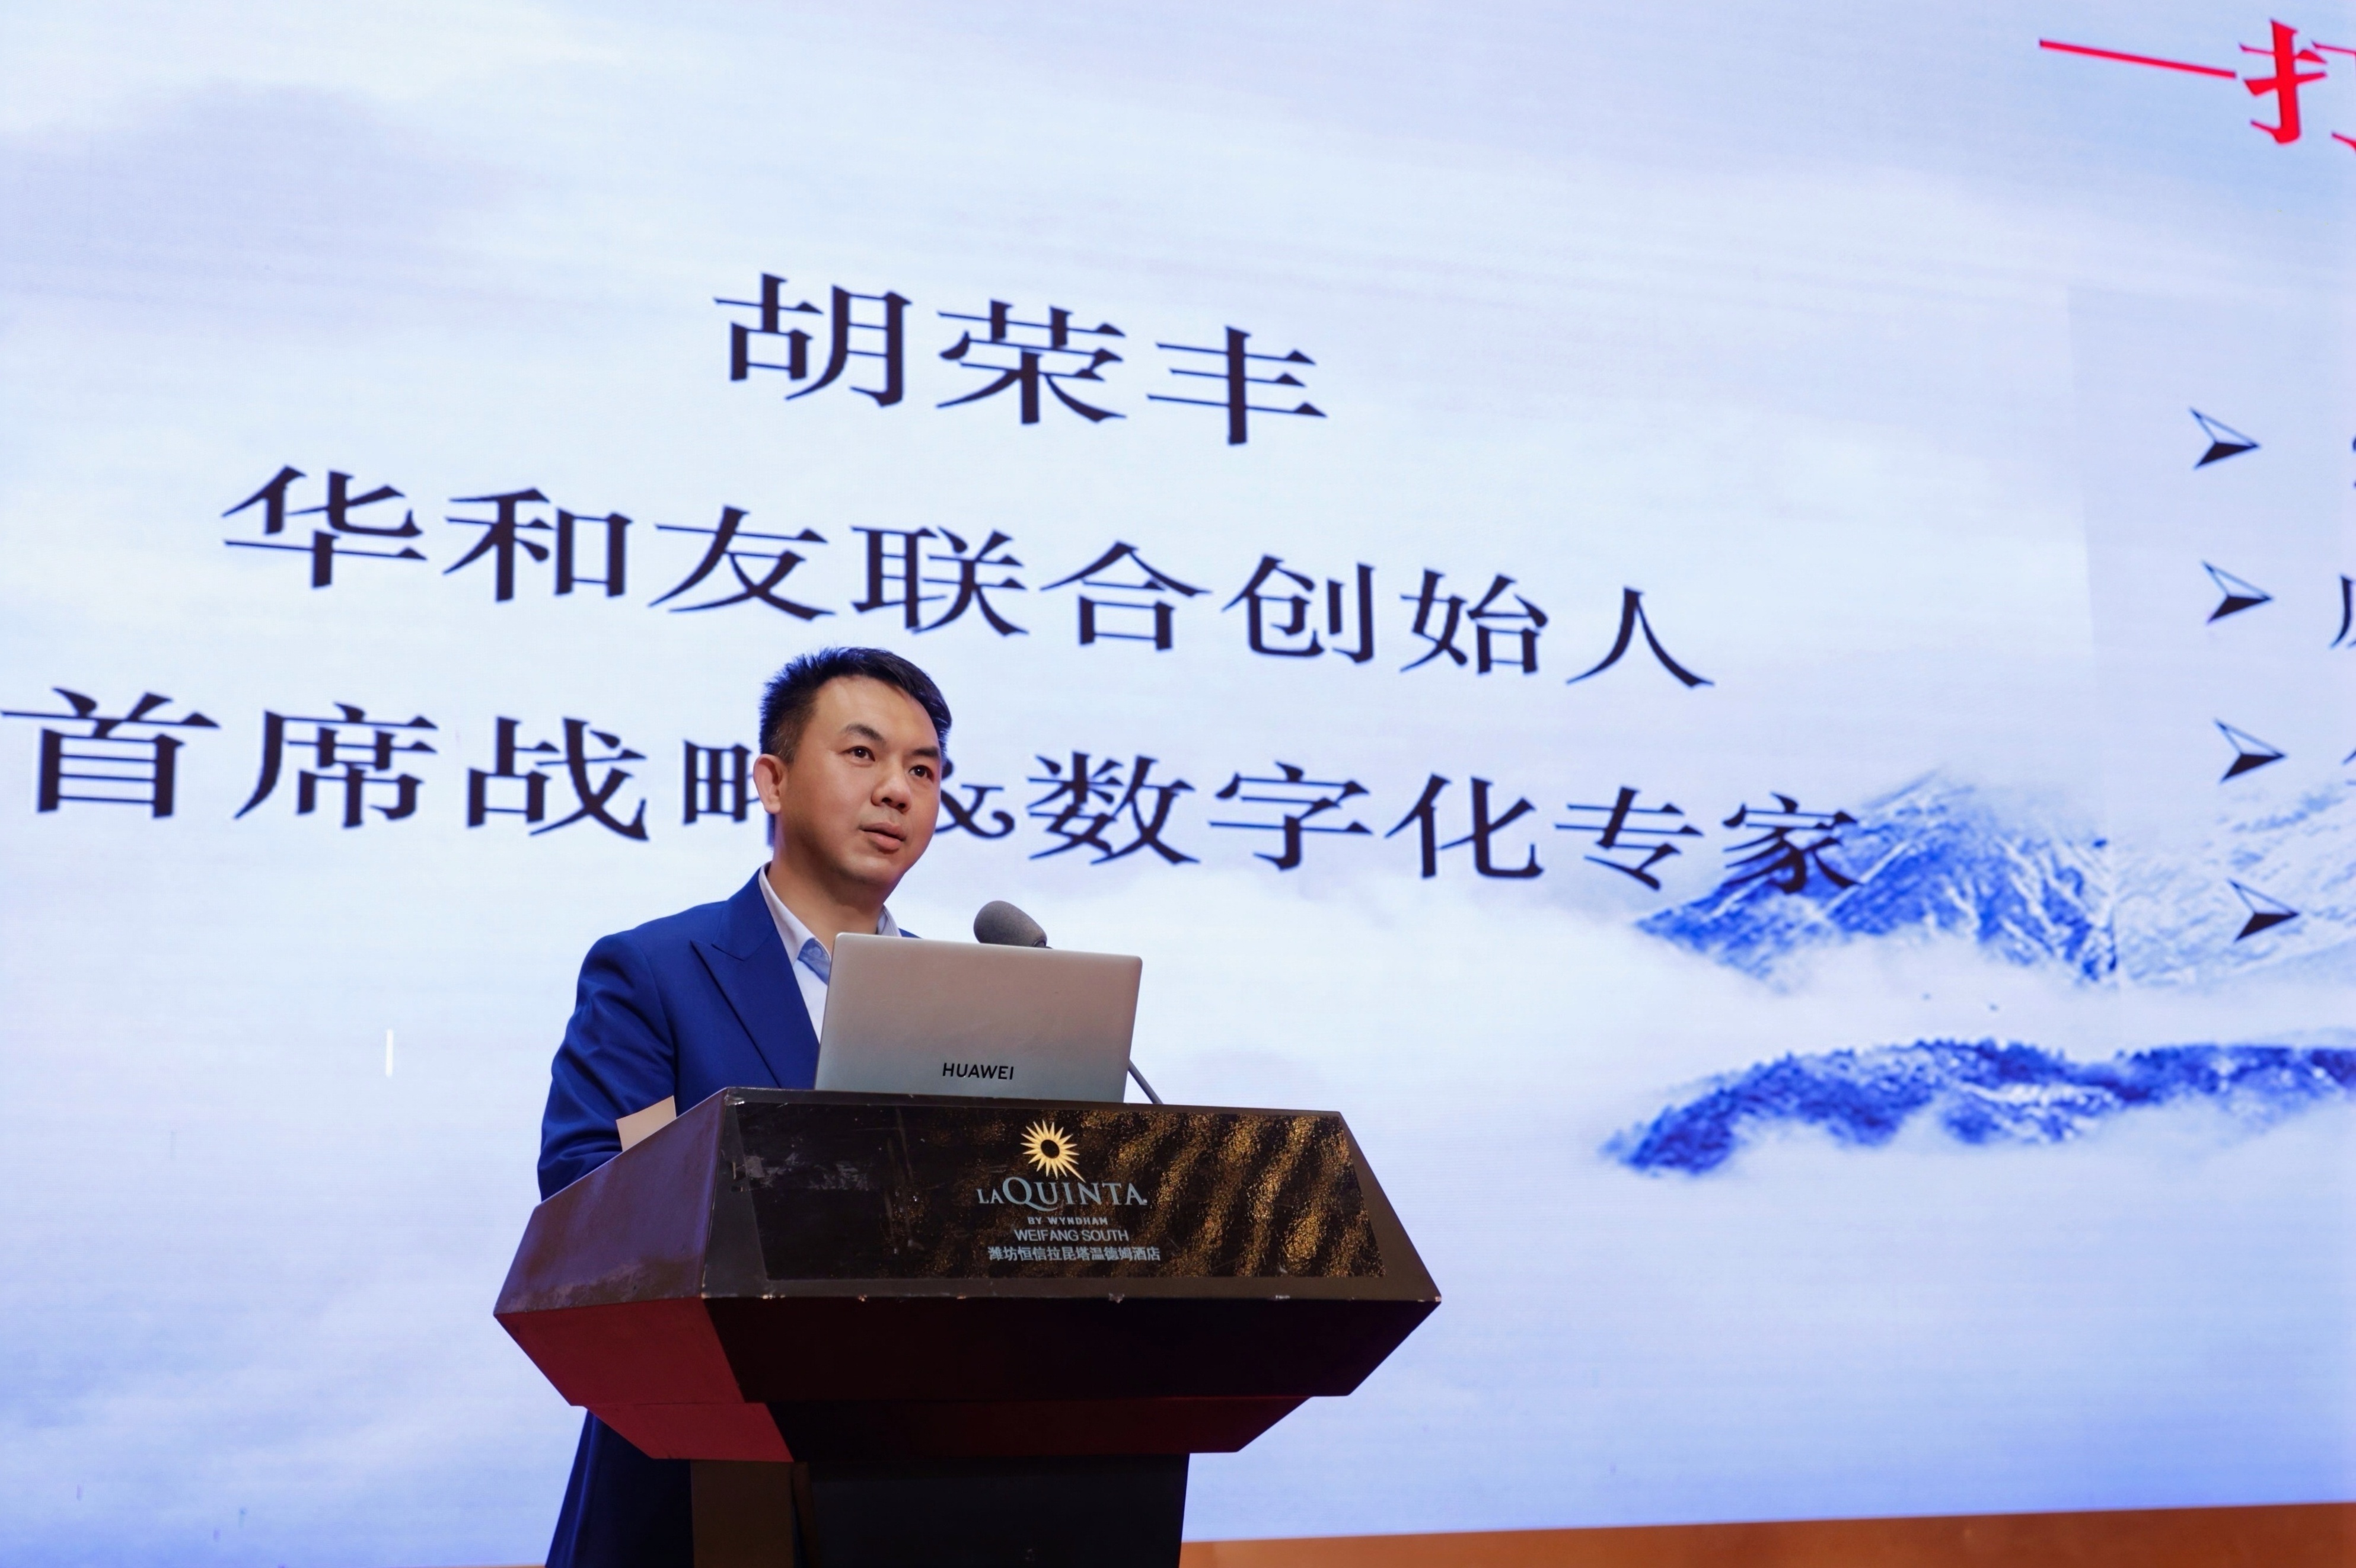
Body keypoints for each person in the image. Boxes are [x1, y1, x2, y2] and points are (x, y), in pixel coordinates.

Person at [536, 646, 949, 1568]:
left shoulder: (964, 999)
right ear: (771, 779)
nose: (896, 790)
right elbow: (586, 1196)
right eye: (862, 754)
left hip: (918, 1480)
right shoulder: (653, 972)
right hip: (700, 1483)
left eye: (923, 771)